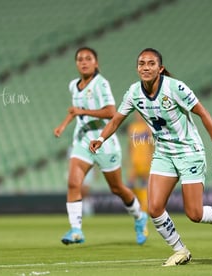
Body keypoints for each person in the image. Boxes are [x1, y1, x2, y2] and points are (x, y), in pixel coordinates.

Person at [90, 48, 212, 266]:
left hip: (189, 152)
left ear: (160, 68)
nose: (145, 67)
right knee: (154, 208)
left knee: (194, 213)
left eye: (151, 63)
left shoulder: (175, 88)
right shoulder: (134, 93)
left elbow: (203, 113)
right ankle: (180, 250)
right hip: (164, 154)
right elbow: (117, 120)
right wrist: (100, 139)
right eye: (141, 63)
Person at [54, 47, 148, 246]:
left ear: (96, 63)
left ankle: (139, 216)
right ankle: (76, 230)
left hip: (105, 143)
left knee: (117, 188)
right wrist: (63, 125)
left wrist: (82, 111)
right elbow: (76, 112)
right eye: (80, 59)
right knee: (73, 183)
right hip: (82, 141)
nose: (84, 62)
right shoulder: (74, 85)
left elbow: (111, 112)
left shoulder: (101, 84)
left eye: (88, 58)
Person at [127, 111, 154, 212]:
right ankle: (137, 204)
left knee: (144, 183)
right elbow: (130, 145)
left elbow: (152, 144)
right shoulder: (132, 127)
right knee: (130, 184)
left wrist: (151, 157)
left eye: (140, 114)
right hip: (134, 160)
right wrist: (128, 158)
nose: (139, 116)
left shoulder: (148, 127)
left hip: (145, 159)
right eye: (137, 114)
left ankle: (144, 207)